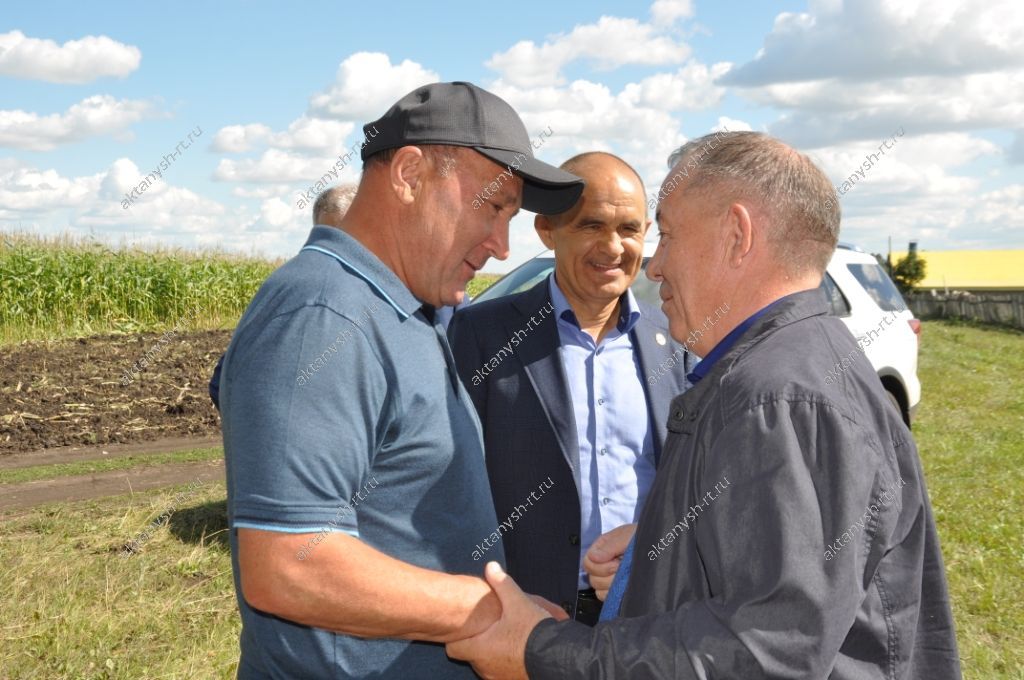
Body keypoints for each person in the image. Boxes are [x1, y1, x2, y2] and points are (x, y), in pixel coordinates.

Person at [447, 131, 962, 679]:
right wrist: (657, 555)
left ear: (737, 236)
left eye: (663, 234)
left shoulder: (776, 397)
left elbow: (763, 648)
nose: (654, 265)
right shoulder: (795, 365)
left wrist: (543, 651)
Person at [218, 81, 583, 679]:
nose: (501, 244)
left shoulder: (409, 309)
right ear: (410, 174)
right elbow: (288, 565)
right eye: (492, 207)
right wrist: (491, 612)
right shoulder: (323, 316)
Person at [447, 151, 693, 625]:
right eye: (590, 226)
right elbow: (449, 487)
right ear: (546, 230)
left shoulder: (675, 343)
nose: (614, 246)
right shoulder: (480, 335)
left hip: (646, 619)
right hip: (522, 618)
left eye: (630, 229)